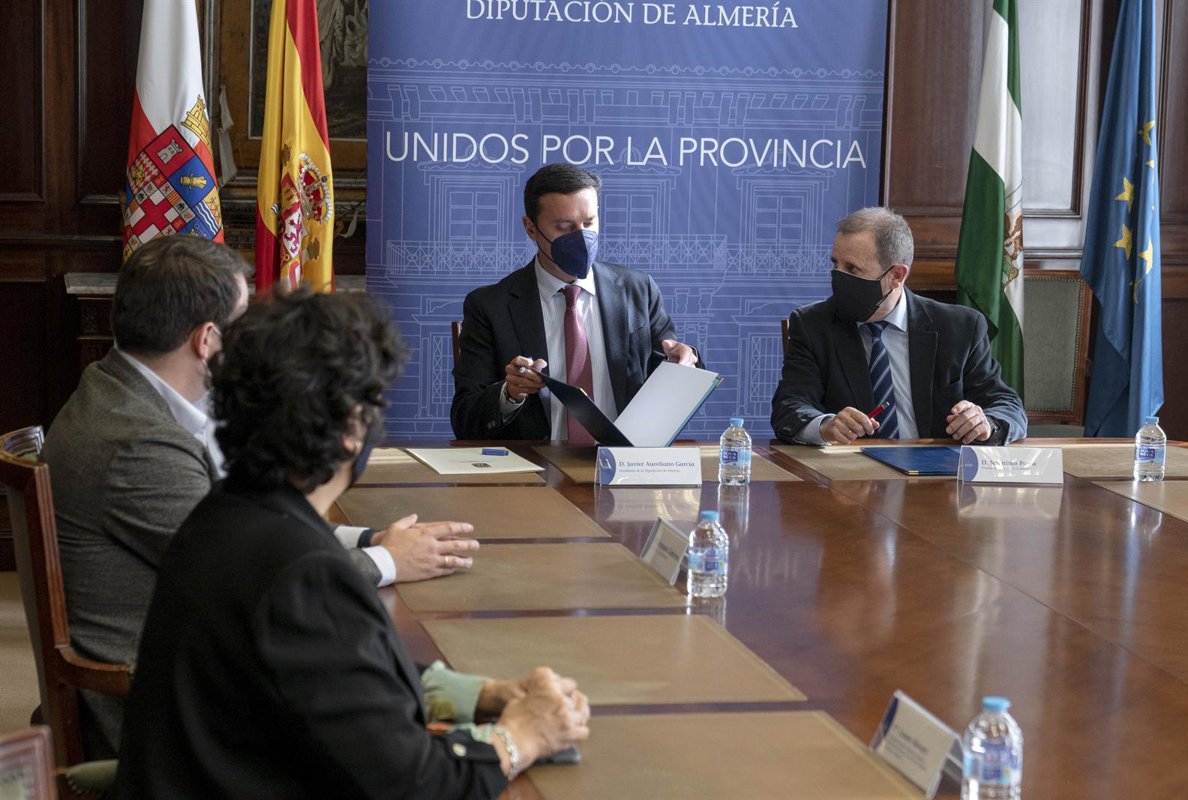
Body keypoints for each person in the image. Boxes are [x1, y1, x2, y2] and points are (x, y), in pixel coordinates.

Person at [117, 287, 590, 798]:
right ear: (350, 428)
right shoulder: (304, 573)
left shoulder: (229, 511)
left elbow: (339, 676)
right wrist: (522, 736)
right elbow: (418, 786)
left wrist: (486, 695)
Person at [42, 236, 478, 758]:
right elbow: (251, 576)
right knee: (395, 728)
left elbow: (247, 525)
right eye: (242, 322)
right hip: (165, 713)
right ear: (207, 339)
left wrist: (368, 538)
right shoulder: (138, 443)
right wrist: (388, 561)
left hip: (200, 660)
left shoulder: (124, 392)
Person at [451, 162, 701, 442]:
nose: (582, 237)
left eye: (589, 223)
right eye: (565, 227)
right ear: (531, 228)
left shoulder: (638, 291)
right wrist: (510, 393)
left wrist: (683, 364)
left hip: (626, 460)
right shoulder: (490, 306)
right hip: (535, 465)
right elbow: (465, 419)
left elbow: (669, 389)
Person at [771, 207, 1027, 445]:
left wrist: (986, 423)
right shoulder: (814, 325)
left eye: (852, 269)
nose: (838, 277)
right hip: (851, 471)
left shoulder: (960, 327)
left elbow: (1007, 406)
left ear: (896, 275)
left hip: (938, 472)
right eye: (835, 264)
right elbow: (789, 407)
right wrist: (826, 425)